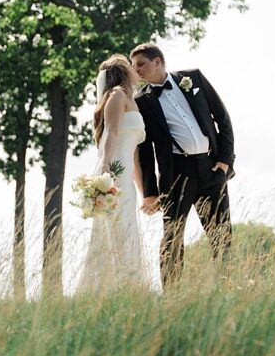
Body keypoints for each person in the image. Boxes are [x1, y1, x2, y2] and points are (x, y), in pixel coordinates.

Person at [131, 42, 235, 287]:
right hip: (177, 174)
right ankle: (172, 294)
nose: (136, 70)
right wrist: (150, 193)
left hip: (212, 169)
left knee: (221, 234)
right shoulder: (141, 102)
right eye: (134, 66)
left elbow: (223, 118)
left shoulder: (194, 78)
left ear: (158, 62)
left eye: (141, 64)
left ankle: (227, 289)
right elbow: (144, 151)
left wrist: (224, 162)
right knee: (172, 236)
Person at [76, 54, 150, 293]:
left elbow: (136, 154)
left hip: (126, 172)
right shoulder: (117, 96)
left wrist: (142, 191)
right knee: (119, 227)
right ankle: (120, 285)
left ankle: (128, 284)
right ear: (123, 72)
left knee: (127, 224)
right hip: (115, 168)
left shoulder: (130, 99)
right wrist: (104, 166)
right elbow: (110, 132)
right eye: (130, 67)